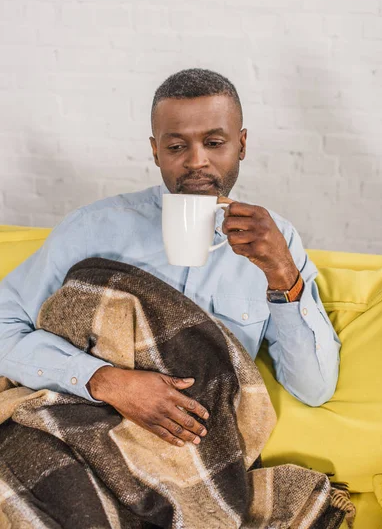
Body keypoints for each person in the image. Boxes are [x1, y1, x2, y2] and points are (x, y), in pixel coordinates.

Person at [0, 68, 340, 449]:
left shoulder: (275, 241)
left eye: (214, 143)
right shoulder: (92, 228)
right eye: (177, 147)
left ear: (241, 145)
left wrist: (282, 273)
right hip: (78, 426)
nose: (196, 162)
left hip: (199, 450)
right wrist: (104, 380)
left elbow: (314, 389)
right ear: (155, 150)